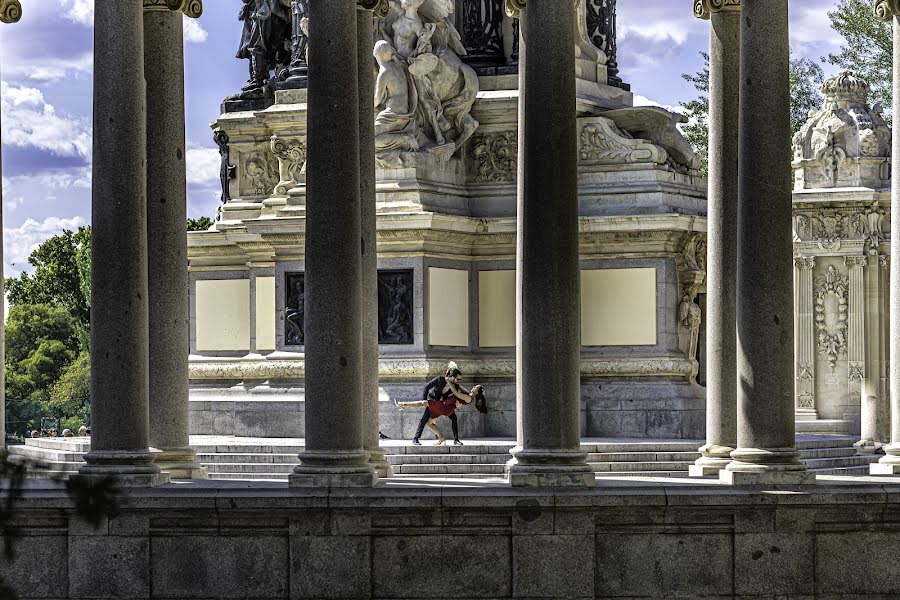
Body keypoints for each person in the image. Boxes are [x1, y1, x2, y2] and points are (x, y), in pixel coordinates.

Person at [396, 361, 482, 446]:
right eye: (458, 379)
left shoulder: (455, 386)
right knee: (424, 419)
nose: (459, 381)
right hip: (433, 401)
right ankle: (416, 439)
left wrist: (458, 403)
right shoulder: (439, 379)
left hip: (442, 405)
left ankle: (455, 440)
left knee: (454, 419)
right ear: (452, 377)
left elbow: (461, 394)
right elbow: (427, 387)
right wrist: (424, 399)